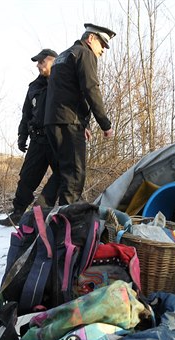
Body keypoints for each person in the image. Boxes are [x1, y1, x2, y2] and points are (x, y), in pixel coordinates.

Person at [44, 23, 116, 205]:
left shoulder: (63, 56)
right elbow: (90, 89)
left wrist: (85, 124)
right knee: (75, 176)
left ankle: (36, 218)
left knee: (62, 174)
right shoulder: (85, 53)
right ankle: (65, 227)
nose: (103, 51)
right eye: (102, 45)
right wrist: (105, 124)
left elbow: (67, 91)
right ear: (91, 38)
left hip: (52, 122)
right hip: (69, 123)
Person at [0, 49, 60, 227]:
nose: (38, 65)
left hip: (57, 140)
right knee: (26, 177)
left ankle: (39, 212)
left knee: (62, 175)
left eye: (42, 62)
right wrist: (21, 136)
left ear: (53, 61)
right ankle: (17, 213)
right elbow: (26, 113)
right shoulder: (34, 86)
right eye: (38, 62)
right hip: (37, 139)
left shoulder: (63, 83)